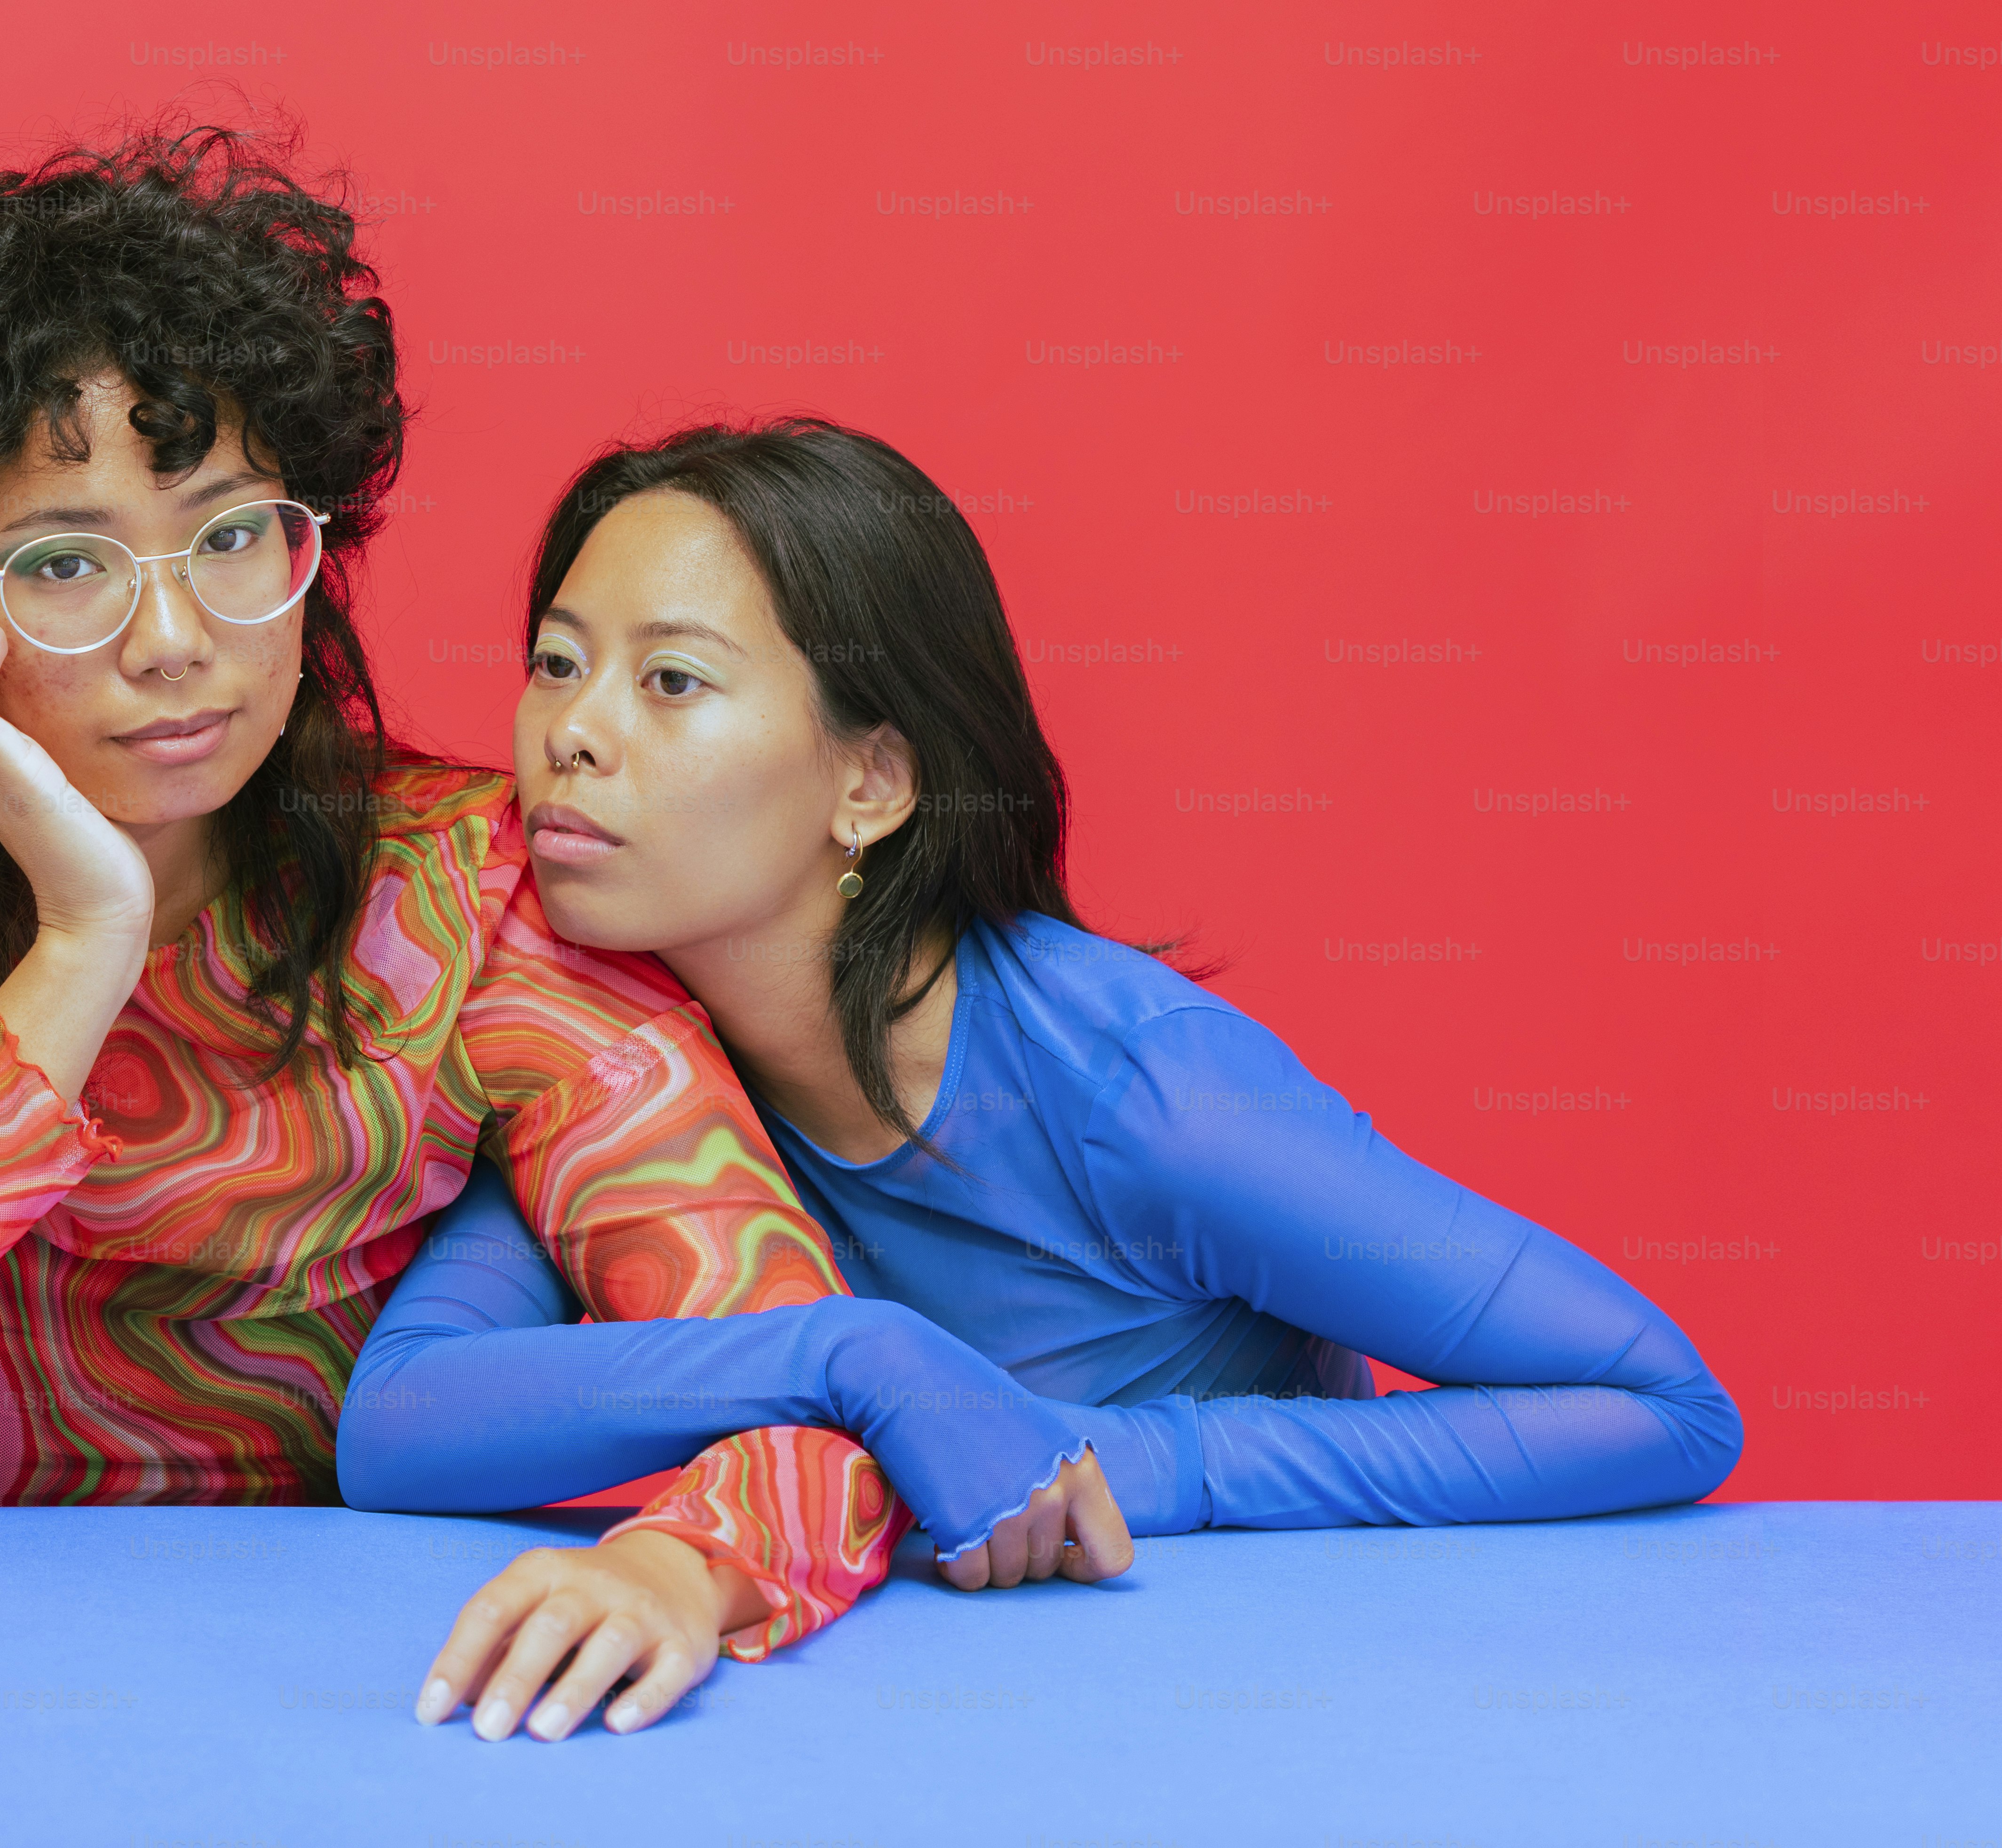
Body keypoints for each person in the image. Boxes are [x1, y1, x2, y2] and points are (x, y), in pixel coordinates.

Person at [0, 129, 909, 1741]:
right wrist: (82, 945)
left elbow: (799, 1367)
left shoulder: (452, 889)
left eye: (228, 539)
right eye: (63, 564)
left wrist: (686, 1572)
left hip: (343, 1709)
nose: (175, 642)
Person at [342, 416, 1747, 1742]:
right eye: (553, 662)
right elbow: (402, 1427)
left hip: (1225, 1711)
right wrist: (859, 1365)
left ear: (871, 784)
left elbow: (1661, 1404)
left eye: (670, 681)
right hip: (847, 1740)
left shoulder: (1137, 1091)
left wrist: (1124, 1458)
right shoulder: (590, 1045)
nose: (568, 735)